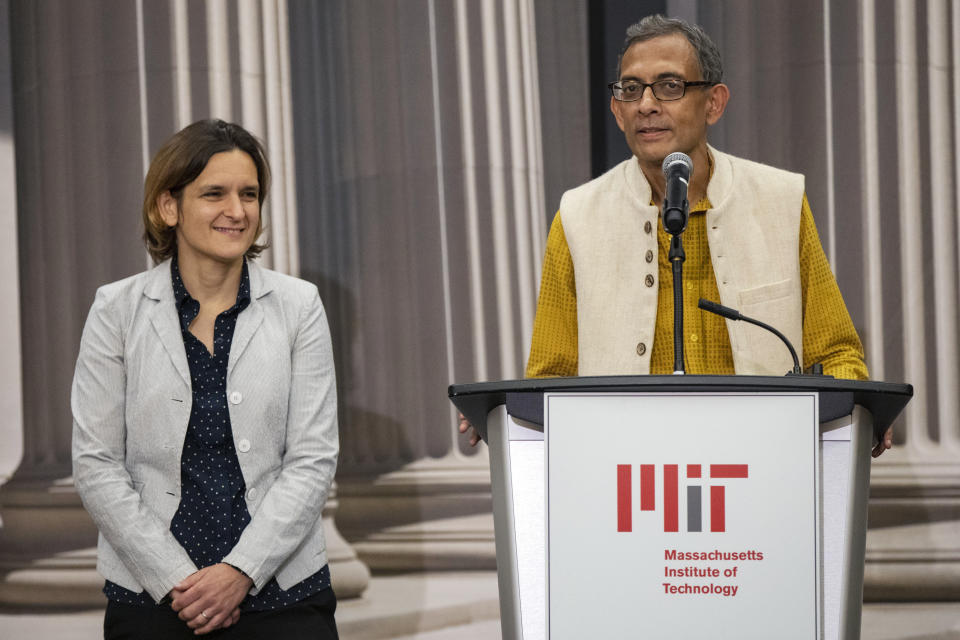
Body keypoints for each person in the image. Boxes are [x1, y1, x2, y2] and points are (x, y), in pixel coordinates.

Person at [460, 14, 893, 457]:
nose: (646, 104)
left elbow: (837, 351)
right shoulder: (577, 216)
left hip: (762, 463)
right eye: (631, 90)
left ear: (714, 103)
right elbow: (550, 375)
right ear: (617, 110)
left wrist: (861, 410)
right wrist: (501, 411)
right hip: (626, 471)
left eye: (669, 86)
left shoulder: (780, 200)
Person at [72, 119, 340, 638]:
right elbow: (96, 463)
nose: (237, 211)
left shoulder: (298, 305)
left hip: (283, 592)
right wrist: (177, 580)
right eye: (214, 193)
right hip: (154, 597)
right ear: (167, 206)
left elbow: (313, 458)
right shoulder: (116, 310)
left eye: (250, 194)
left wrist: (240, 571)